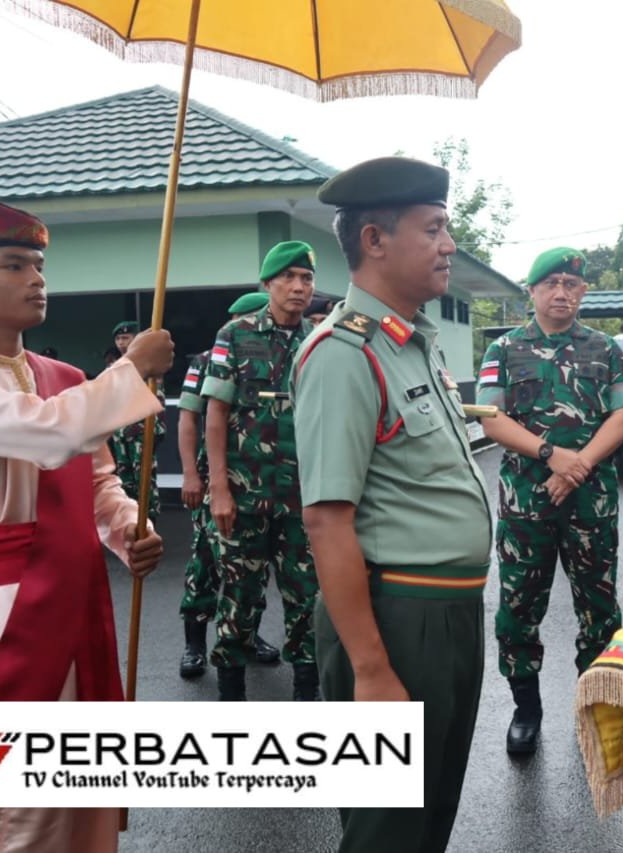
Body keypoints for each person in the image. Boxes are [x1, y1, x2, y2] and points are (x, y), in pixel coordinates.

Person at [0, 196, 173, 851]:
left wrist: (129, 524)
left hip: (76, 597)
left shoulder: (65, 377)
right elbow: (48, 434)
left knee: (84, 794)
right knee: (17, 813)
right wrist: (130, 372)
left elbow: (98, 478)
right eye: (14, 264)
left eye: (40, 265)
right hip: (0, 615)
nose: (37, 279)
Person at [294, 156, 493, 853]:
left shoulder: (414, 344)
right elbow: (326, 519)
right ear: (375, 240)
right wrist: (372, 668)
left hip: (450, 614)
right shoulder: (345, 352)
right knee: (386, 832)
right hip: (397, 619)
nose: (449, 245)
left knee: (428, 817)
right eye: (434, 229)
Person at [478, 246, 623, 754]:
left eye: (572, 284)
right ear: (532, 291)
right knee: (519, 606)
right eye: (551, 284)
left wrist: (579, 465)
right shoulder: (503, 349)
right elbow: (490, 417)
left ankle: (596, 704)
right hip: (526, 503)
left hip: (591, 503)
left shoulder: (606, 349)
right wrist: (551, 455)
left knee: (599, 606)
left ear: (583, 293)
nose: (562, 293)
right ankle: (527, 708)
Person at [202, 241, 319, 701]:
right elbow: (215, 412)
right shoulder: (236, 334)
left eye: (306, 278)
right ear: (268, 285)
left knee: (307, 598)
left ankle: (307, 697)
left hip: (303, 496)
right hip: (244, 494)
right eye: (287, 278)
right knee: (239, 595)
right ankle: (232, 697)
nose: (297, 287)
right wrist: (218, 488)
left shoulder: (319, 340)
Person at [176, 291, 278, 679]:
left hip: (258, 481)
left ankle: (247, 636)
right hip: (213, 478)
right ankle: (194, 645)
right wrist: (190, 474)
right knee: (206, 560)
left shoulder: (274, 362)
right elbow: (189, 418)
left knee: (253, 566)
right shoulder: (205, 362)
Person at [106, 319, 166, 523]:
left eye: (126, 338)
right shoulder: (116, 366)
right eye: (118, 338)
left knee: (144, 478)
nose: (121, 343)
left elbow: (155, 398)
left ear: (135, 339)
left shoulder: (148, 363)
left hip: (141, 429)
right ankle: (132, 519)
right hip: (121, 432)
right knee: (125, 479)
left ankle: (149, 519)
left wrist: (156, 429)